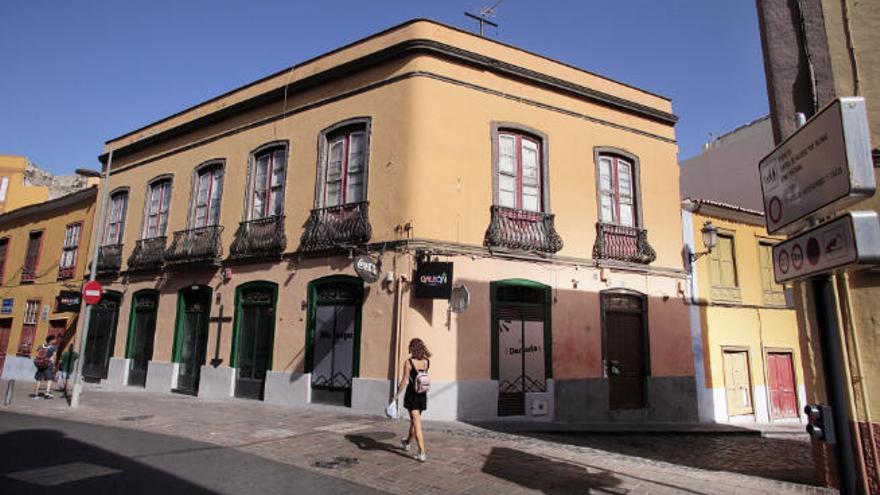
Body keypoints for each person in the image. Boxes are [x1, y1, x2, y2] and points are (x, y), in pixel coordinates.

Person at [393, 338, 431, 462]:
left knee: (417, 424)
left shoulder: (408, 362)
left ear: (411, 348)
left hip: (412, 395)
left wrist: (396, 395)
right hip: (422, 394)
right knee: (414, 422)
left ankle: (422, 452)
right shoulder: (426, 361)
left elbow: (404, 380)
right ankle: (407, 442)